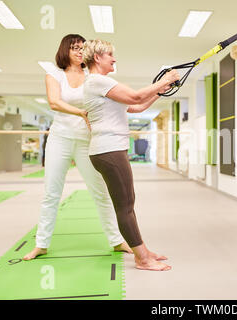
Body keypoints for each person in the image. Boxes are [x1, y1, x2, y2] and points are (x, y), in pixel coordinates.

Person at [24, 34, 132, 260]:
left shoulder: (90, 76)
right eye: (74, 48)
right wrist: (81, 112)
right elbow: (54, 102)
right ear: (65, 50)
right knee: (51, 193)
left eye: (82, 48)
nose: (79, 52)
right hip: (60, 138)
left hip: (86, 139)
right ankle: (41, 244)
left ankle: (117, 240)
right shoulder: (54, 73)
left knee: (100, 193)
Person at [82, 39, 180, 271]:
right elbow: (136, 96)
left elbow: (137, 107)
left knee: (127, 203)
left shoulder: (100, 83)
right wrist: (164, 80)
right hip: (108, 150)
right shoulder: (97, 81)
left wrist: (160, 91)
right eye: (110, 55)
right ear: (97, 57)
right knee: (125, 207)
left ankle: (142, 251)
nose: (114, 59)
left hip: (110, 149)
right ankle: (142, 259)